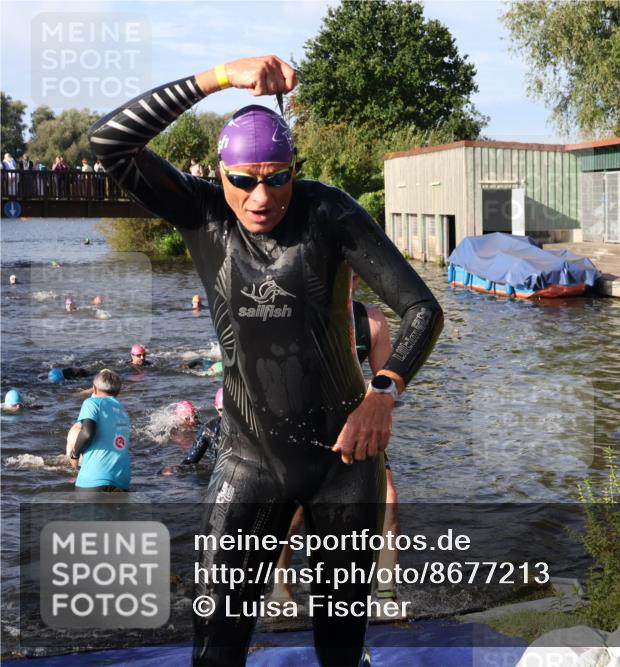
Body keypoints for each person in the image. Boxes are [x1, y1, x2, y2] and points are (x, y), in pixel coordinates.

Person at [89, 54, 442, 666]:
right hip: (249, 459)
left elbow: (422, 310)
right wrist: (220, 76)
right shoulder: (200, 214)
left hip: (345, 461)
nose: (261, 196)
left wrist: (383, 391)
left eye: (277, 177)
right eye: (245, 178)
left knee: (340, 646)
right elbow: (109, 141)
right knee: (217, 647)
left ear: (294, 171)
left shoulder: (327, 213)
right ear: (220, 174)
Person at [272, 271, 400, 602]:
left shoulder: (371, 321)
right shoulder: (293, 316)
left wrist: (379, 397)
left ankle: (386, 593)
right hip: (303, 428)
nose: (346, 285)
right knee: (293, 514)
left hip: (354, 427)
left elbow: (388, 380)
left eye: (353, 279)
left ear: (358, 282)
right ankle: (281, 592)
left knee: (388, 503)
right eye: (339, 278)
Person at [67, 369, 130, 492]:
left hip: (94, 478)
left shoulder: (91, 403)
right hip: (122, 479)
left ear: (94, 389)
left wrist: (74, 454)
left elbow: (87, 433)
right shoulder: (123, 410)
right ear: (118, 391)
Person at [161, 387, 224, 475]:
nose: (192, 421)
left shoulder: (203, 427)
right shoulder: (208, 430)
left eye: (195, 417)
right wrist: (176, 469)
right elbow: (190, 460)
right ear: (216, 408)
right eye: (221, 410)